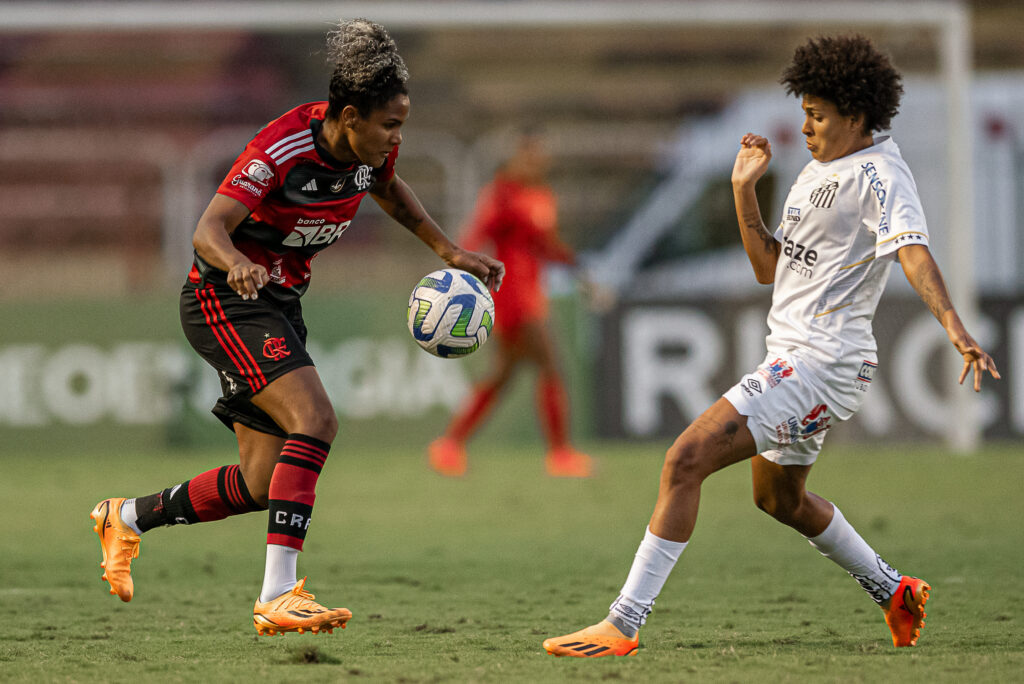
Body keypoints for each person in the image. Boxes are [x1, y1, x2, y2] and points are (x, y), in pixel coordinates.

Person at [542, 34, 999, 657]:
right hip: (794, 357)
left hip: (821, 362)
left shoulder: (880, 174)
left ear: (857, 117)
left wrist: (953, 325)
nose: (805, 127)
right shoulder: (815, 172)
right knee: (778, 500)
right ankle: (895, 591)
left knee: (685, 459)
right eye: (803, 113)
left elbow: (912, 251)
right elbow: (769, 267)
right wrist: (743, 190)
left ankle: (623, 621)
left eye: (817, 115)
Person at [89, 19, 503, 637]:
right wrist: (238, 266)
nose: (396, 137)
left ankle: (125, 517)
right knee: (317, 420)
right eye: (389, 124)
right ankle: (277, 595)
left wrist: (448, 251)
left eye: (401, 125)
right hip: (224, 300)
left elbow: (387, 190)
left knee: (261, 484)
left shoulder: (373, 152)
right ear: (348, 116)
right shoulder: (282, 149)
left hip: (280, 305)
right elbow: (208, 230)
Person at [426, 130, 592, 478]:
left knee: (502, 376)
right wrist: (460, 271)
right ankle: (560, 454)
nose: (538, 161)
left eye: (540, 155)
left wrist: (579, 271)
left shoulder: (541, 196)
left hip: (532, 295)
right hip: (511, 296)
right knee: (550, 366)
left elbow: (546, 245)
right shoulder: (502, 195)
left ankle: (449, 444)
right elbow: (475, 233)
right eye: (530, 155)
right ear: (517, 158)